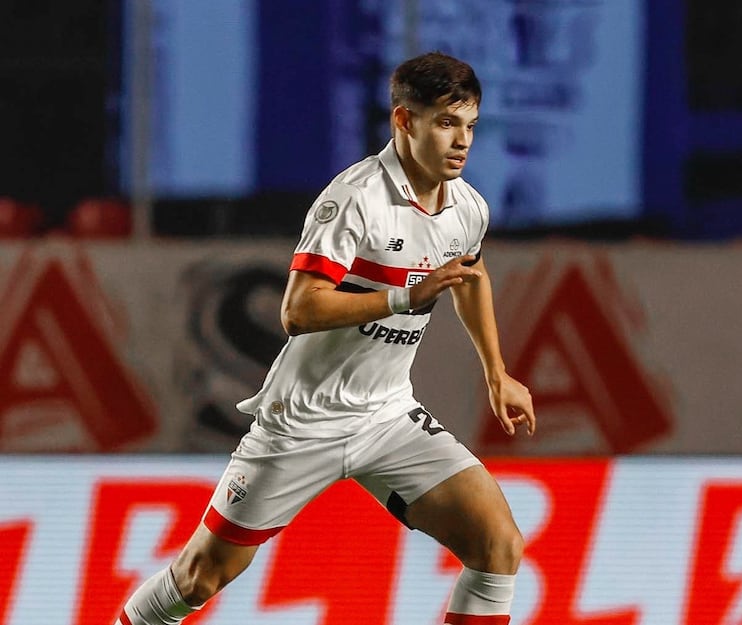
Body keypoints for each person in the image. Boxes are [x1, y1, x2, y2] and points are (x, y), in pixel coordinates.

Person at [117, 51, 536, 625]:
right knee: (201, 575)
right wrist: (404, 297)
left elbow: (471, 274)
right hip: (303, 422)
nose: (462, 142)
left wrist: (496, 371)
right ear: (404, 121)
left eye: (470, 126)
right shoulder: (356, 198)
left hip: (388, 416)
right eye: (445, 123)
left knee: (498, 547)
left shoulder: (467, 207)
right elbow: (298, 308)